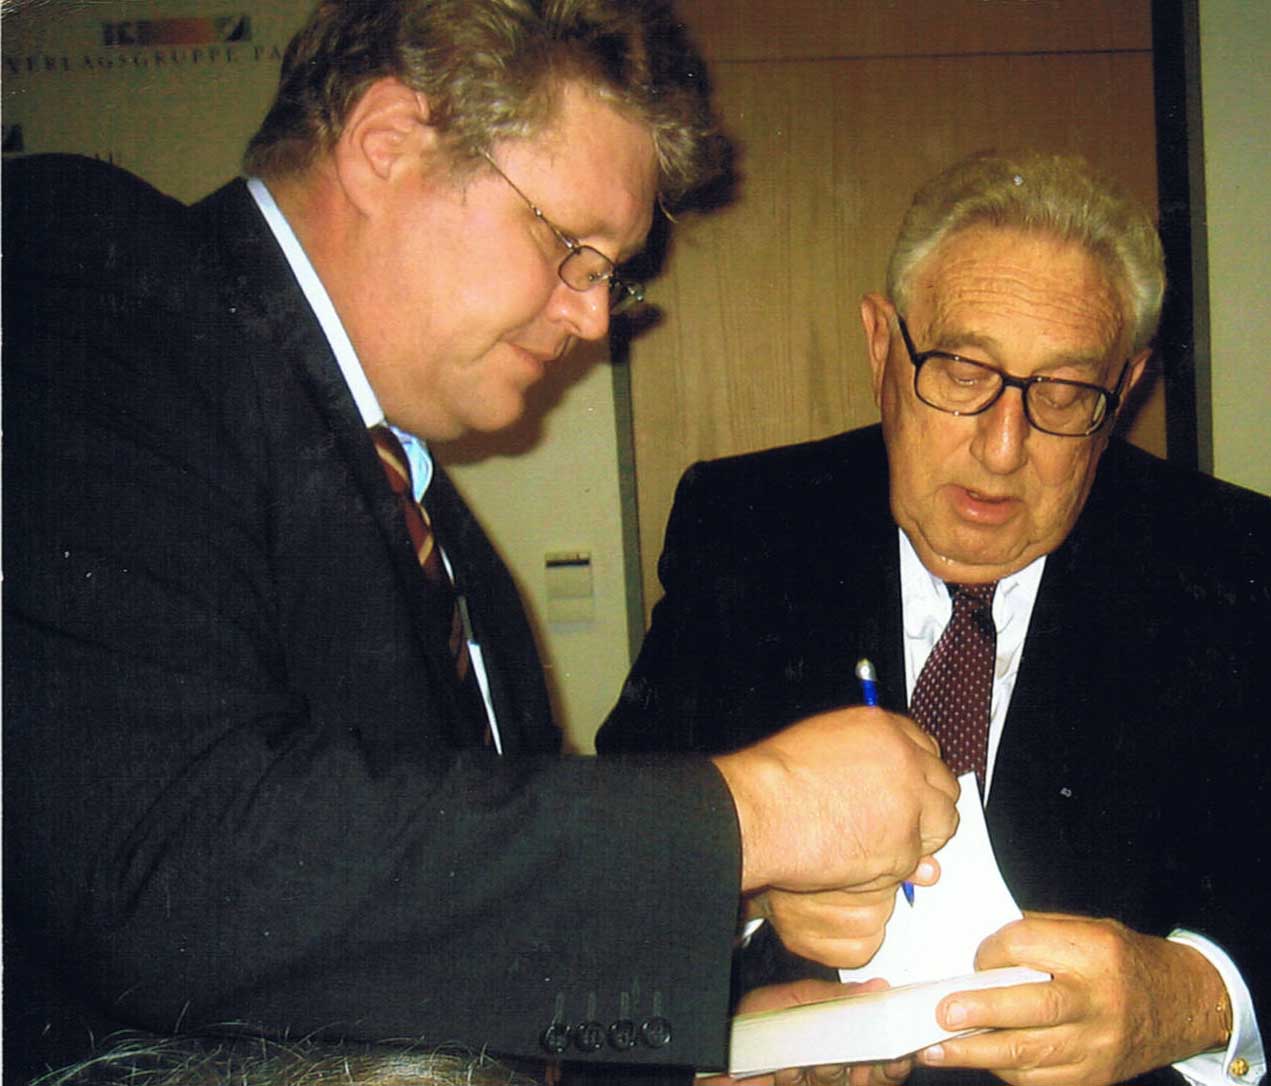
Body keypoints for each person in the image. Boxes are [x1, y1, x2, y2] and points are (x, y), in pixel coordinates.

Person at [2, 1, 961, 1082]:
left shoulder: (438, 528)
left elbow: (412, 937)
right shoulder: (92, 273)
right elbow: (166, 863)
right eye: (569, 248)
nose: (592, 320)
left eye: (608, 274)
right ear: (386, 145)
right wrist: (754, 814)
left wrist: (724, 1034)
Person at [598, 151, 1269, 1086]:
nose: (1002, 448)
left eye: (1064, 393)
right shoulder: (746, 526)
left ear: (1126, 385)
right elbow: (614, 857)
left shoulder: (1237, 565)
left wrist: (1193, 1001)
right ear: (882, 345)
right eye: (960, 370)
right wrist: (745, 915)